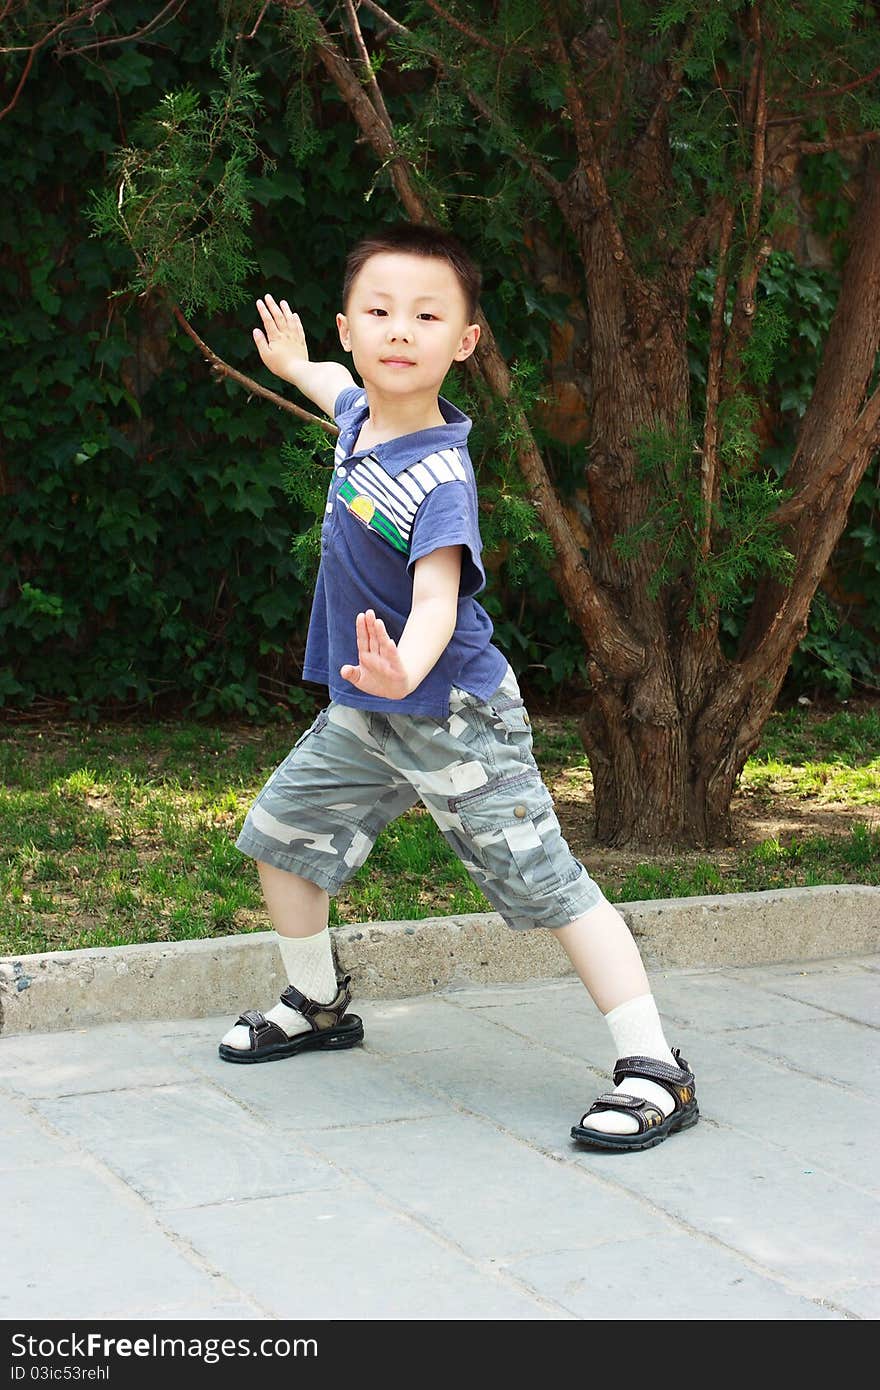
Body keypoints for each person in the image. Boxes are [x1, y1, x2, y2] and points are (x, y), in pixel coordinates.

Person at [218, 222, 698, 1153]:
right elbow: (331, 388)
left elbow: (437, 595)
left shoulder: (440, 472)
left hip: (454, 714)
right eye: (379, 311)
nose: (402, 328)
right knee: (282, 838)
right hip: (369, 710)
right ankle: (317, 1001)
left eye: (428, 314)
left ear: (465, 342)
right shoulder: (359, 415)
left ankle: (656, 1070)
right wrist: (296, 365)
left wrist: (410, 657)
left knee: (549, 888)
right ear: (350, 330)